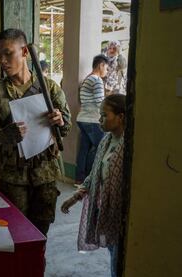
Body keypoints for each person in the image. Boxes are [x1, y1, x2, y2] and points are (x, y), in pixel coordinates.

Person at [0, 28, 71, 235]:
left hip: (46, 174)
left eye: (8, 53)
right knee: (15, 233)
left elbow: (66, 127)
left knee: (41, 232)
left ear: (25, 52)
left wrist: (59, 121)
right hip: (14, 177)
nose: (2, 60)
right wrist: (5, 134)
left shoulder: (49, 89)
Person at [61, 94, 126, 277]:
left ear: (121, 117)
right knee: (113, 252)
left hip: (120, 214)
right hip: (105, 210)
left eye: (104, 115)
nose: (99, 120)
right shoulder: (106, 141)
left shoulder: (130, 146)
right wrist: (75, 196)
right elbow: (95, 174)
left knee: (119, 259)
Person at [75, 54, 108, 184]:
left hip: (83, 118)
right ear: (101, 65)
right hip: (93, 120)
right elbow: (101, 103)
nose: (107, 70)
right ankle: (90, 179)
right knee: (99, 148)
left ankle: (79, 179)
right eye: (107, 67)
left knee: (84, 149)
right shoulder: (97, 80)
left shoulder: (88, 79)